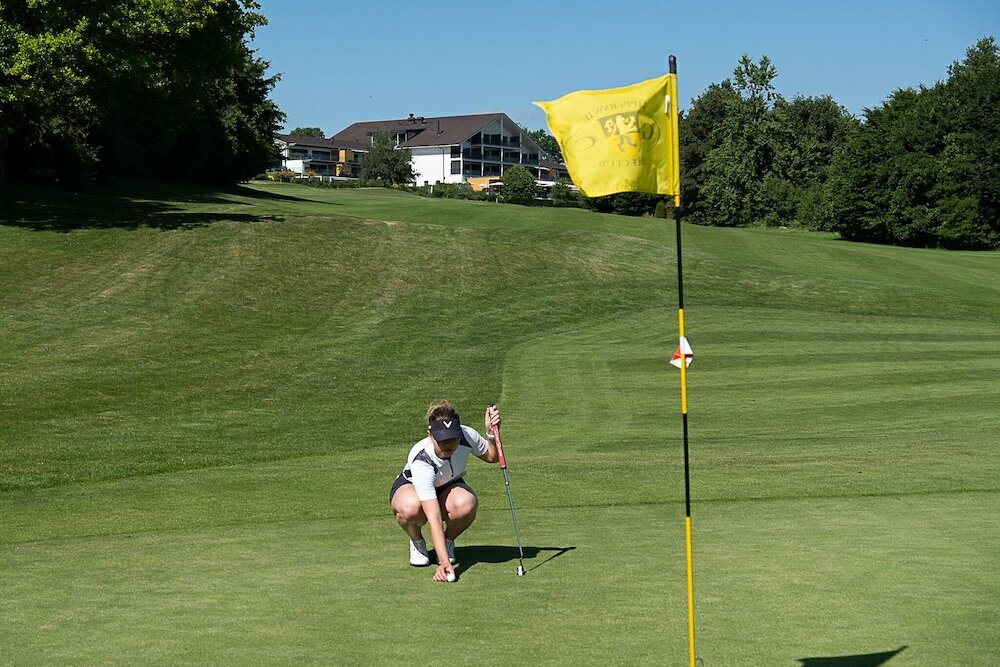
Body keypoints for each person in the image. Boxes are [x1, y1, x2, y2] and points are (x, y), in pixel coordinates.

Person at [389, 401, 500, 582]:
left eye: (452, 438)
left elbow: (492, 456)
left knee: (466, 504)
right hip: (411, 487)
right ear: (430, 435)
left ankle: (448, 541)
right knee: (411, 509)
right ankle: (417, 541)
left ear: (459, 433)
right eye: (441, 439)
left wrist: (491, 434)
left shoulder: (466, 435)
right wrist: (444, 563)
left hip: (448, 485)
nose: (448, 444)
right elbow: (433, 517)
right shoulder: (422, 460)